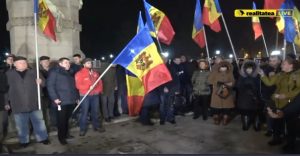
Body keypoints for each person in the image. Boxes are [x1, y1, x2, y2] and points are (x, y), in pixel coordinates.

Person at [5, 56, 50, 147]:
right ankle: (24, 141)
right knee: (21, 125)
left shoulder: (34, 72)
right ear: (15, 64)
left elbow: (45, 84)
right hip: (18, 103)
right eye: (20, 62)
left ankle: (42, 138)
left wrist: (41, 82)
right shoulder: (8, 74)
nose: (23, 64)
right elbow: (5, 90)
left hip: (34, 102)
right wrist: (6, 102)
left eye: (25, 62)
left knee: (39, 122)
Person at [258, 56, 300, 147]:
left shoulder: (297, 75)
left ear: (291, 65)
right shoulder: (280, 74)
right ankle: (277, 138)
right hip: (278, 101)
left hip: (290, 102)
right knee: (277, 121)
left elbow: (298, 90)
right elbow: (269, 83)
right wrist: (262, 75)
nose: (281, 65)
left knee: (290, 124)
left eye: (283, 64)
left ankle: (290, 143)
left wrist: (285, 96)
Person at [47, 57, 79, 145]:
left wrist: (76, 98)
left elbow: (74, 87)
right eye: (65, 62)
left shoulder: (70, 73)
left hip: (70, 100)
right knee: (61, 120)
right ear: (60, 64)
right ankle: (61, 138)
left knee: (67, 119)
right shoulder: (55, 72)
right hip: (60, 101)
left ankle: (66, 134)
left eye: (68, 63)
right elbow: (50, 86)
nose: (68, 64)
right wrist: (55, 98)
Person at [75, 58, 105, 136]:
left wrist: (98, 91)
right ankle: (82, 129)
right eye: (88, 63)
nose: (90, 64)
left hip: (95, 95)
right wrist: (88, 86)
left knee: (96, 111)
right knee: (84, 113)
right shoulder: (79, 73)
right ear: (84, 64)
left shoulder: (95, 73)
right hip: (85, 96)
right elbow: (78, 85)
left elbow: (99, 83)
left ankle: (97, 126)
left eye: (90, 63)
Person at [260, 55, 282, 137]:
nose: (271, 62)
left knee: (279, 113)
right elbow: (265, 82)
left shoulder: (282, 70)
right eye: (270, 60)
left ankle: (279, 131)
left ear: (279, 61)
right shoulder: (267, 69)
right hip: (269, 95)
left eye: (274, 60)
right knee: (269, 113)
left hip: (280, 96)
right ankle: (270, 129)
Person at [236, 61, 261, 131]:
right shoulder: (242, 76)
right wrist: (245, 88)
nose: (249, 70)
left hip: (254, 97)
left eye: (250, 68)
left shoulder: (257, 76)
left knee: (255, 111)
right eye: (247, 68)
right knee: (245, 110)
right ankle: (245, 123)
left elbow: (259, 86)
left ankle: (255, 122)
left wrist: (253, 89)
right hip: (244, 97)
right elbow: (238, 86)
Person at [208, 61, 235, 125]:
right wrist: (218, 83)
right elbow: (209, 80)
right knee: (216, 108)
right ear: (219, 67)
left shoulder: (230, 73)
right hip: (217, 93)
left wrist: (230, 84)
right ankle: (216, 119)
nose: (223, 68)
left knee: (226, 108)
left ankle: (225, 119)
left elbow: (233, 81)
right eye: (222, 67)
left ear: (227, 67)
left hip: (227, 93)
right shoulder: (215, 73)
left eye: (225, 67)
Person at [39, 56, 53, 132]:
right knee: (44, 112)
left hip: (53, 94)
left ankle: (53, 125)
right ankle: (46, 127)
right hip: (44, 94)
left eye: (47, 61)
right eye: (44, 61)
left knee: (53, 110)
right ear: (40, 62)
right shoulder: (39, 71)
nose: (46, 63)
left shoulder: (53, 70)